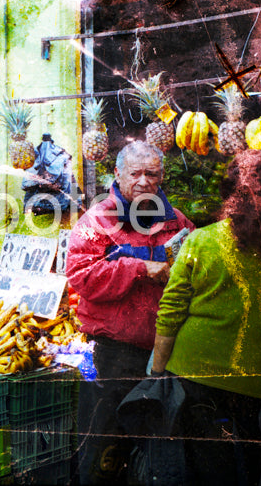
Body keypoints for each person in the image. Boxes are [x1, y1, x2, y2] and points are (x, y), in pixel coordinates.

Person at [66, 140, 195, 484]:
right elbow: (80, 276)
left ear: (161, 176)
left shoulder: (179, 223)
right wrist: (139, 269)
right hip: (111, 356)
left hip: (165, 355)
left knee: (157, 450)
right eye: (134, 173)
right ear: (118, 174)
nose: (142, 181)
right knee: (105, 447)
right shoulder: (97, 221)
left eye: (150, 174)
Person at [151, 149, 261, 485]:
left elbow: (171, 311)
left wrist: (156, 371)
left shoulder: (201, 240)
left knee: (208, 469)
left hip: (195, 376)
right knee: (257, 468)